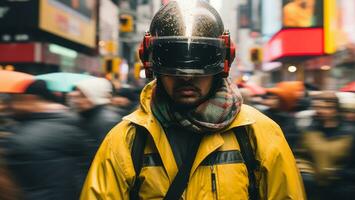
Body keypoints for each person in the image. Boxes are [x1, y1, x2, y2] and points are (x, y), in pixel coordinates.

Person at [81, 1, 305, 199]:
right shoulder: (125, 140)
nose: (187, 76)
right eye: (172, 62)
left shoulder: (260, 134)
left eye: (200, 62)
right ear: (150, 64)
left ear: (224, 63)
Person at [1, 80, 89, 200]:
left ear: (29, 99)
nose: (9, 105)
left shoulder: (25, 138)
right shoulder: (69, 120)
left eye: (15, 100)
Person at [68, 77, 122, 165]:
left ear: (94, 98)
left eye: (82, 95)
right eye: (76, 92)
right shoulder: (84, 115)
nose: (74, 98)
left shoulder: (106, 122)